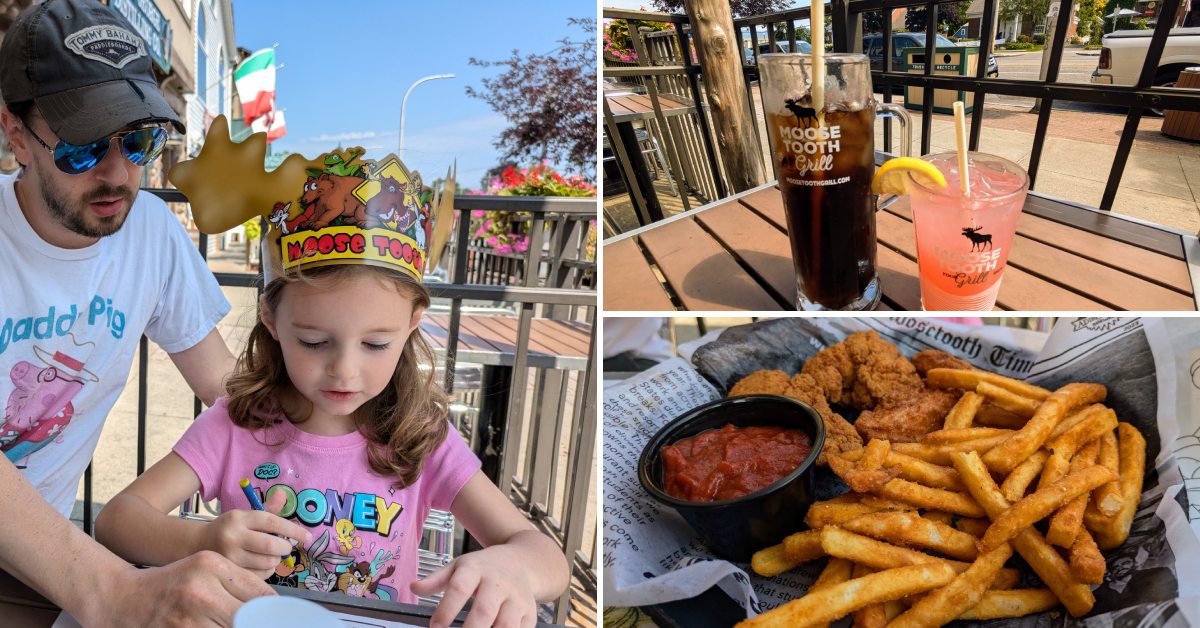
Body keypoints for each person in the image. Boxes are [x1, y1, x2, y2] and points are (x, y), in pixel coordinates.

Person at [94, 136, 570, 628]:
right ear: (272, 321)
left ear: (411, 326)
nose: (344, 369)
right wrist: (201, 540)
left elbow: (547, 559)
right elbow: (118, 520)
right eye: (316, 342)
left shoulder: (421, 439)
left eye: (376, 345)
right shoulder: (235, 425)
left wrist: (513, 565)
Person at [0, 0, 278, 624]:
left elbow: (228, 391)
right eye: (81, 148)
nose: (118, 173)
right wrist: (111, 590)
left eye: (139, 140)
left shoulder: (149, 231)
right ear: (15, 133)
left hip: (33, 557)